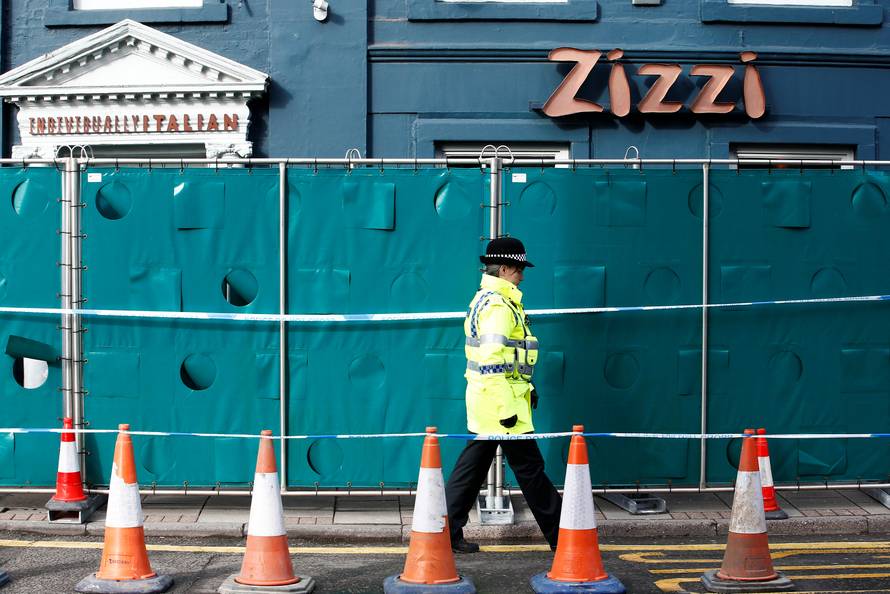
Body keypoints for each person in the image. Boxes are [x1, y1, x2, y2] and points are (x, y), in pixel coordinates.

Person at [445, 237, 562, 553]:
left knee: (470, 471)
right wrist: (506, 407)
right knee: (531, 472)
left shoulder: (486, 299)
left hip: (489, 401)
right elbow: (492, 362)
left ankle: (443, 533)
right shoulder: (499, 306)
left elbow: (506, 357)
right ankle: (565, 539)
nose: (522, 275)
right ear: (505, 268)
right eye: (519, 269)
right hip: (502, 406)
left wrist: (528, 387)